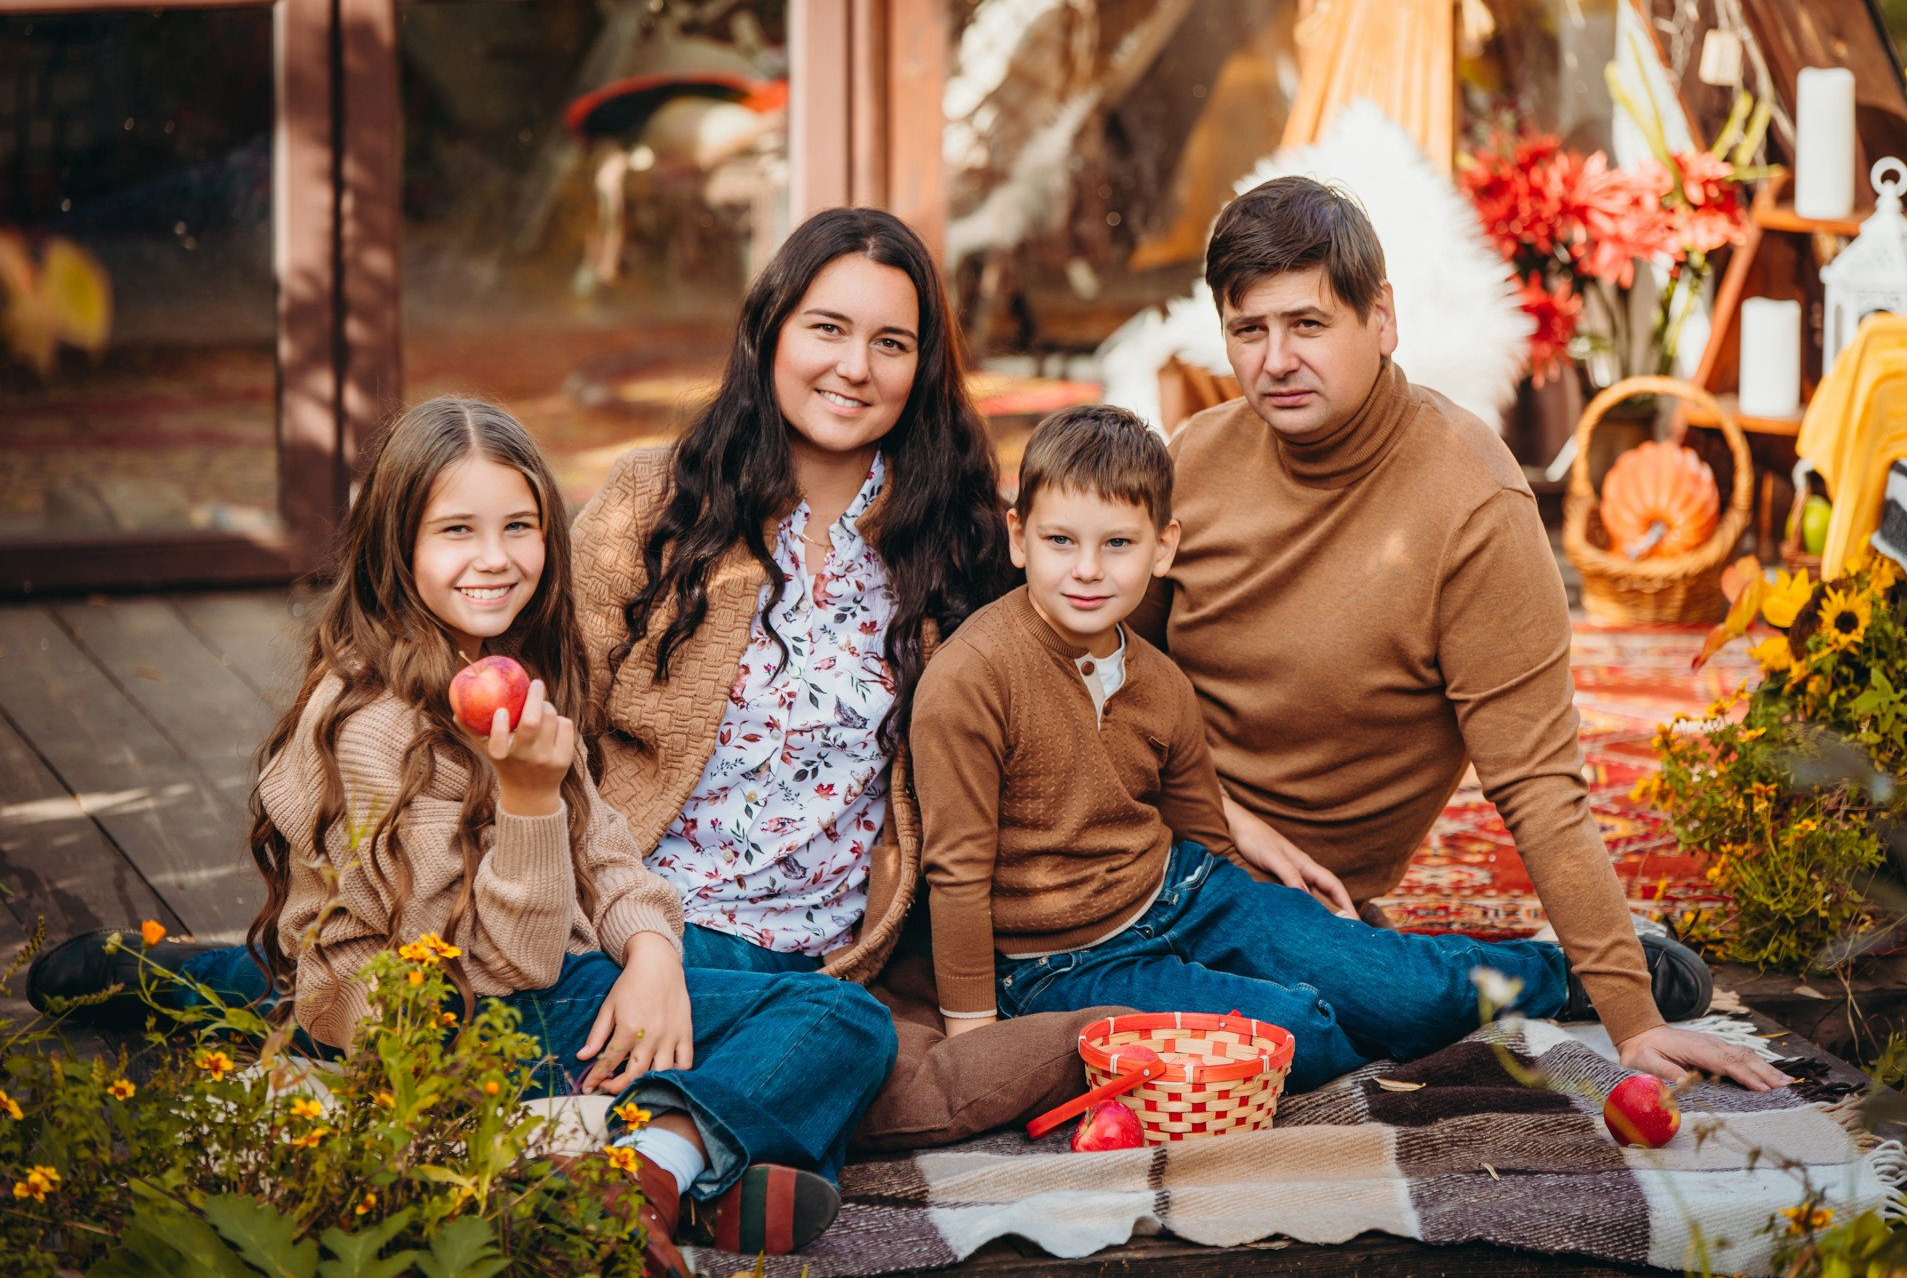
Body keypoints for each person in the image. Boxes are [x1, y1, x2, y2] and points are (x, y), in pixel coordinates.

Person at [30, 397, 896, 1275]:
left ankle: (659, 1166)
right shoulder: (374, 730)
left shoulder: (513, 669)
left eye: (519, 525)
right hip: (453, 1025)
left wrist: (653, 956)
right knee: (840, 1021)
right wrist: (526, 803)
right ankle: (646, 1169)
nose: (494, 558)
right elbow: (494, 971)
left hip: (536, 995)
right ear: (395, 548)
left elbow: (607, 855)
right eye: (457, 530)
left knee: (830, 1020)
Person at [1128, 175, 1790, 1090]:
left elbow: (1538, 784)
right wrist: (1218, 818)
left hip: (1294, 902)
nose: (1275, 360)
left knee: (1340, 1024)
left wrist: (1632, 1019)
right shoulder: (1193, 459)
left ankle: (1553, 972)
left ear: (1382, 318)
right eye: (1250, 330)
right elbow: (1103, 674)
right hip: (1149, 836)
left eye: (1308, 325)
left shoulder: (1470, 502)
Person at [910, 404, 1702, 1089]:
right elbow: (957, 869)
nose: (1087, 570)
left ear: (1164, 549)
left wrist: (1281, 928)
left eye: (1117, 545)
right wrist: (974, 1034)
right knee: (1300, 1033)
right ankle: (1347, 1025)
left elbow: (1204, 829)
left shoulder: (1158, 681)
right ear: (1019, 538)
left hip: (1183, 892)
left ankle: (1570, 974)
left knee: (1397, 989)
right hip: (1065, 959)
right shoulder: (973, 680)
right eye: (1060, 542)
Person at [567, 205, 1117, 1144]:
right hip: (640, 936)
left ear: (924, 367)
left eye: (891, 342)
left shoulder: (959, 544)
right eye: (827, 328)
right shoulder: (650, 501)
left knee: (851, 1032)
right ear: (770, 332)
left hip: (823, 970)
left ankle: (659, 1151)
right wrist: (642, 941)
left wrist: (1230, 822)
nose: (855, 367)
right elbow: (550, 732)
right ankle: (709, 1150)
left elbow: (1087, 680)